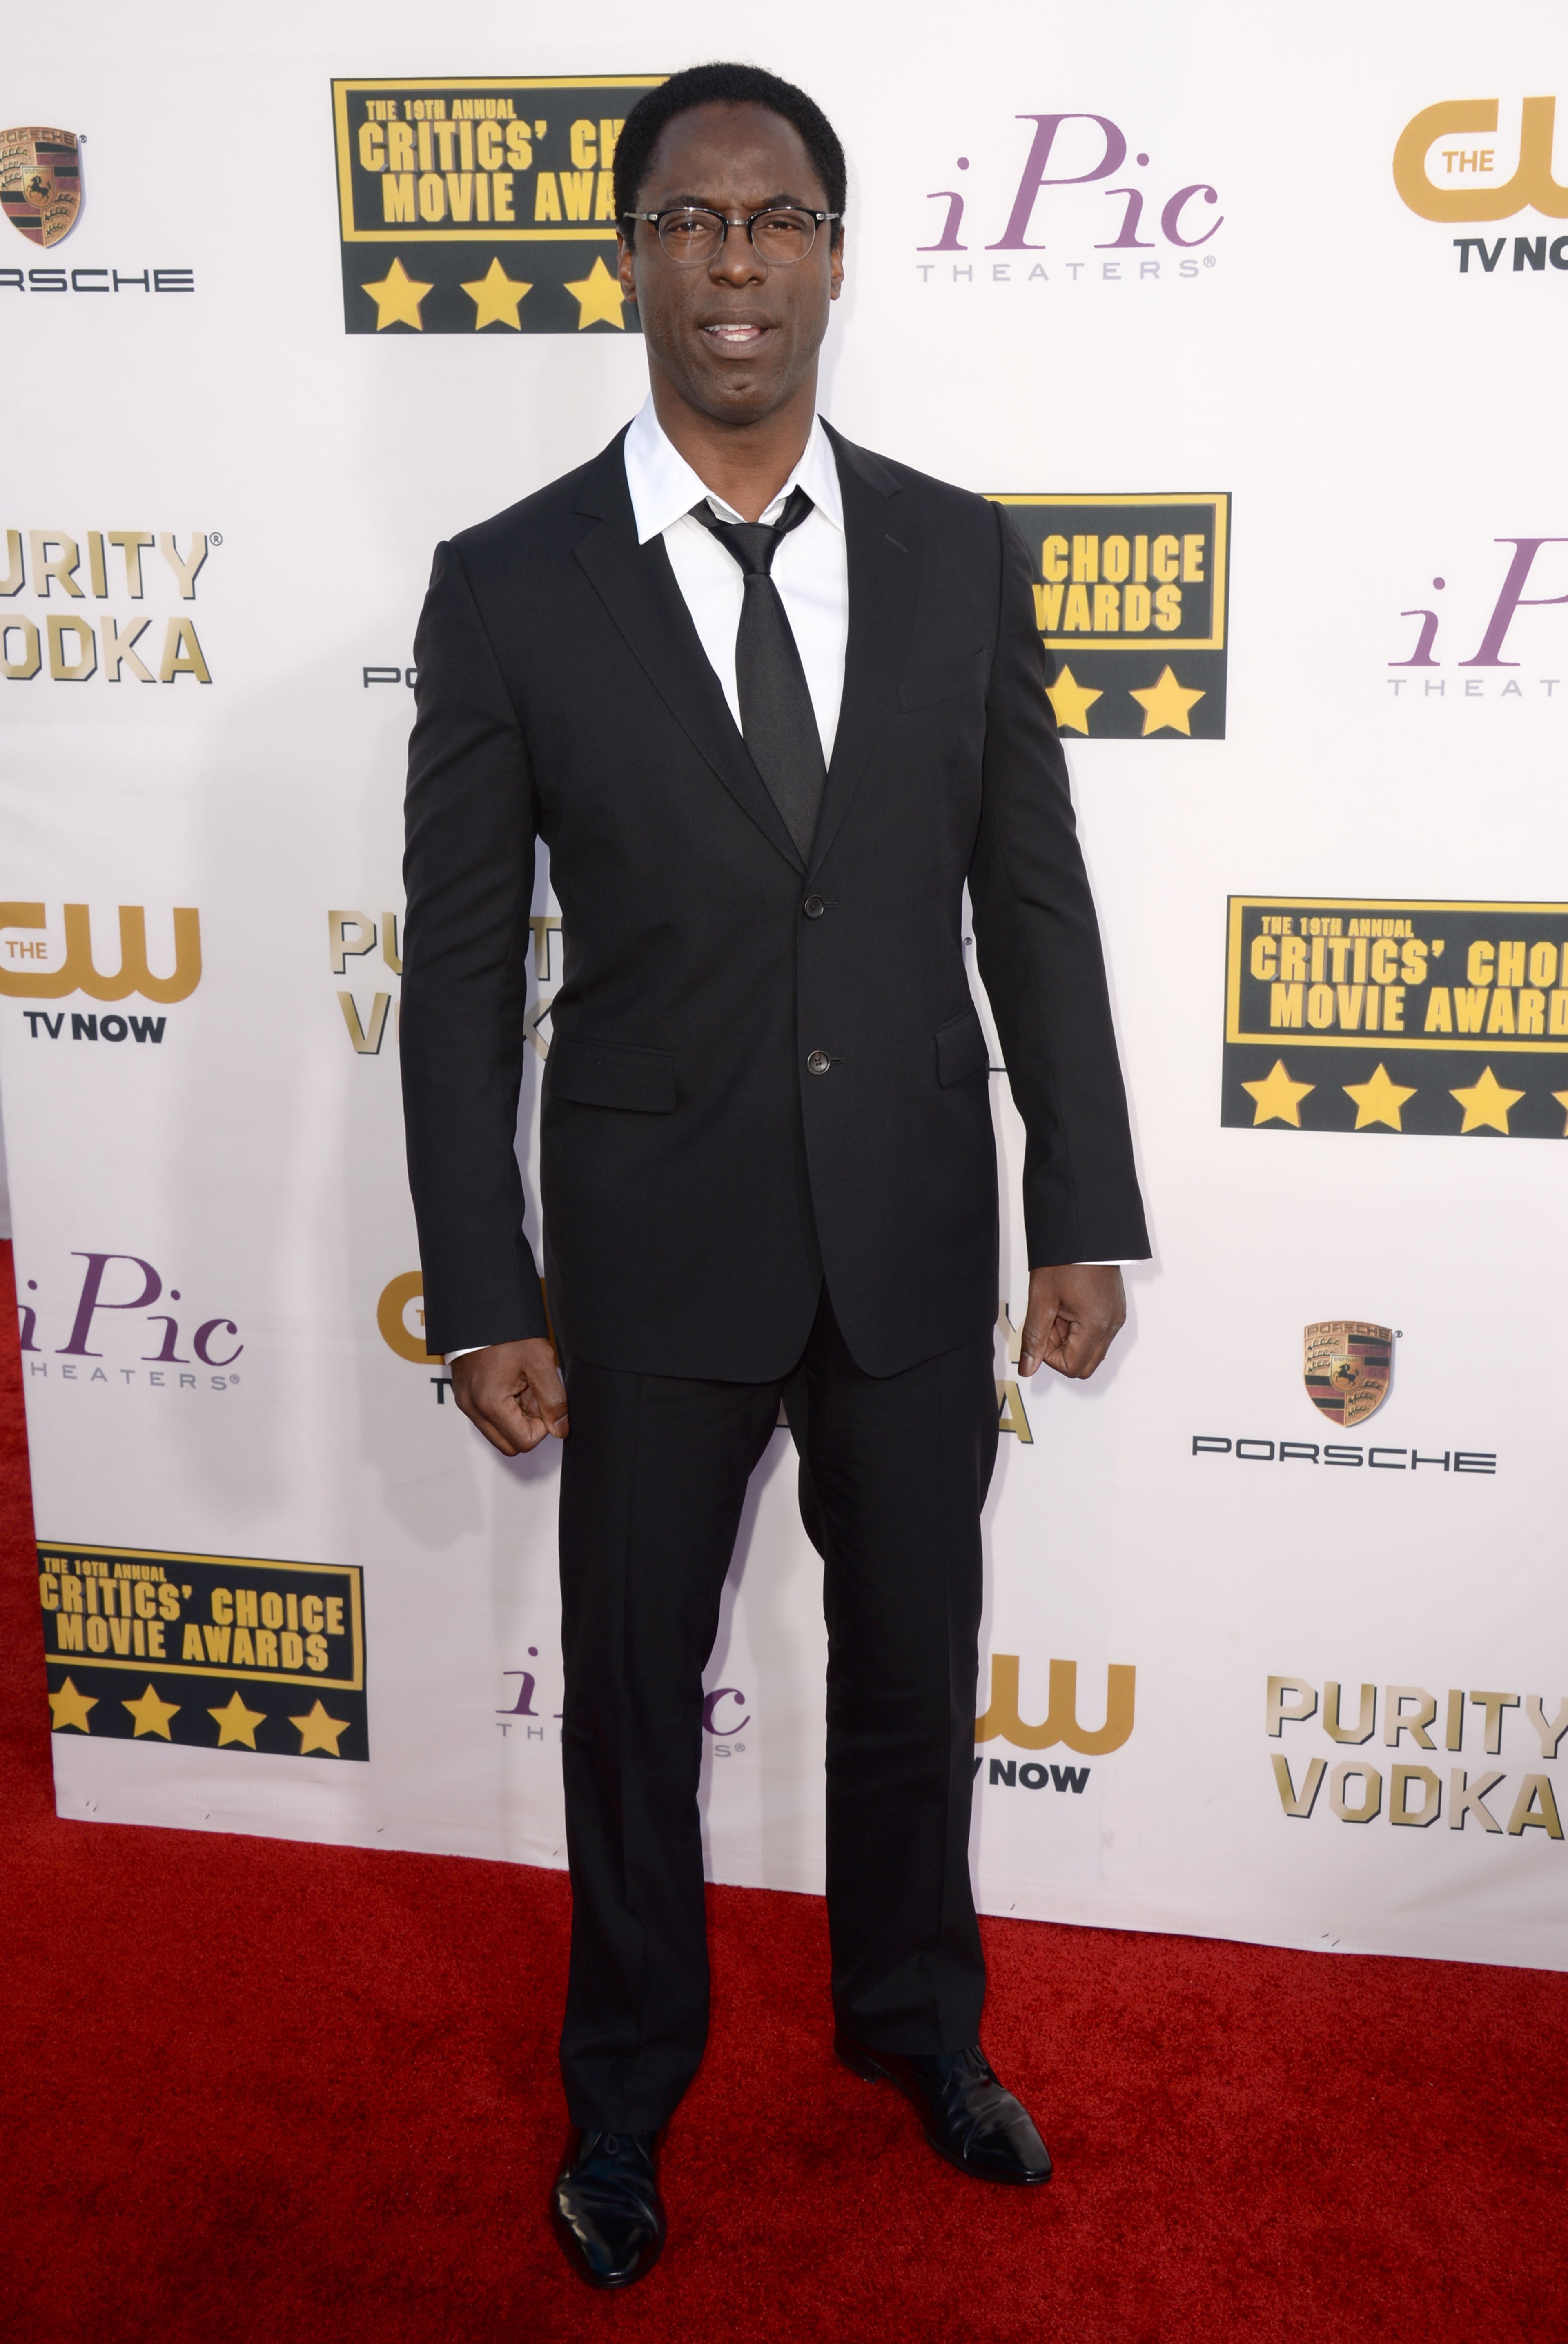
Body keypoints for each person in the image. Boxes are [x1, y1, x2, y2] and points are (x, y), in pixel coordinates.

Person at [400, 60, 1149, 2293]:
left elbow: (1036, 897)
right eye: (695, 221)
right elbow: (453, 980)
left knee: (918, 1669)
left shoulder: (955, 549)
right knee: (633, 1700)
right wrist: (483, 1281)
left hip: (916, 1223)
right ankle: (621, 2104)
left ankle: (920, 2029)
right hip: (649, 1250)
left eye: (780, 218)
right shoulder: (511, 585)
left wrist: (1085, 1197)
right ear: (632, 256)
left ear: (836, 253)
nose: (738, 263)